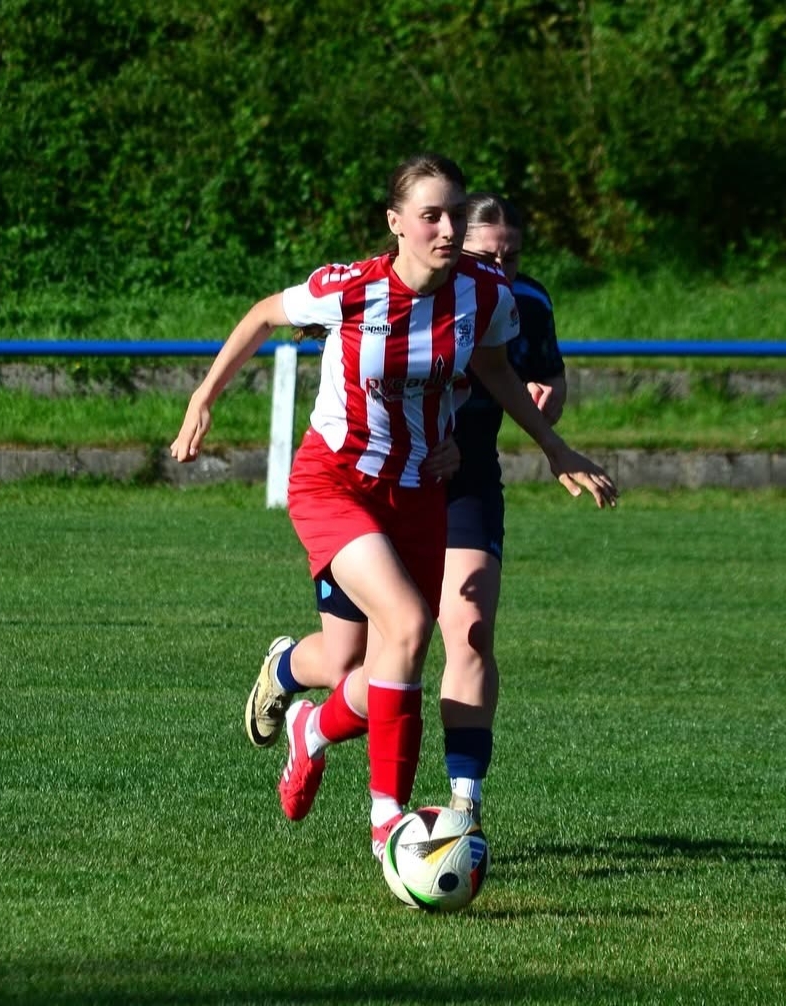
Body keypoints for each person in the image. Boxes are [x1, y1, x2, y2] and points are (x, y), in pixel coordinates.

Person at [177, 154, 616, 858]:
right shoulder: (352, 289)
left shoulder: (485, 294)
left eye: (455, 214)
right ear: (396, 223)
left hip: (417, 493)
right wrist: (204, 398)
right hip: (335, 483)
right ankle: (389, 822)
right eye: (431, 215)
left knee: (375, 666)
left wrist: (554, 447)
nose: (447, 229)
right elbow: (262, 316)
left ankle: (310, 729)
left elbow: (496, 370)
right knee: (409, 627)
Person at [243, 192, 577, 831]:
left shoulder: (515, 299)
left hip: (462, 480)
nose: (497, 268)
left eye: (510, 257)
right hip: (379, 477)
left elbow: (528, 374)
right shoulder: (384, 291)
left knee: (462, 632)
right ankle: (293, 686)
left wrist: (550, 422)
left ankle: (460, 806)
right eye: (485, 254)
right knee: (349, 662)